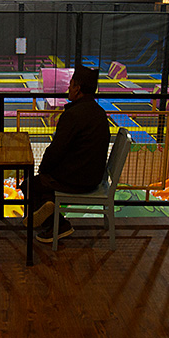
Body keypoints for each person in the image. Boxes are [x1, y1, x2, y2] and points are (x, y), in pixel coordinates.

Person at [22, 65, 110, 243]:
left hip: (76, 180)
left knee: (29, 185)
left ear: (77, 88)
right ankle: (51, 220)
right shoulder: (100, 113)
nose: (68, 88)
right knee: (44, 188)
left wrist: (43, 169)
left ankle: (58, 225)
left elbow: (56, 151)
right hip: (94, 177)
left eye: (70, 84)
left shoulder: (73, 115)